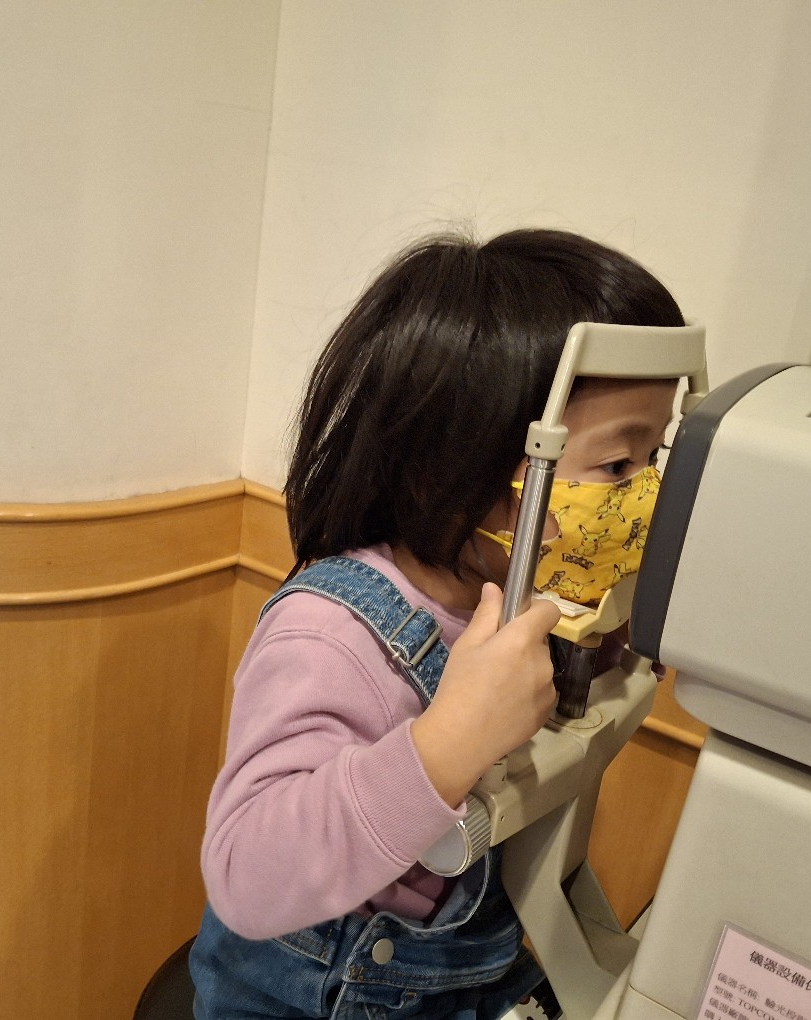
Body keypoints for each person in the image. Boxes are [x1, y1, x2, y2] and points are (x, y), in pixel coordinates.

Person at [190, 228, 685, 1018]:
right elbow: (246, 878)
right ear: (451, 465)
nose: (643, 494)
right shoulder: (333, 634)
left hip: (469, 973)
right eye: (618, 466)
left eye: (654, 459)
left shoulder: (537, 594)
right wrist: (444, 746)